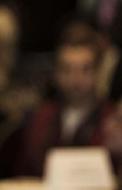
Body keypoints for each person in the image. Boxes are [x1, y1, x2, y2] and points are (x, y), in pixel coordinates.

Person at [11, 36, 118, 178]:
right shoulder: (40, 117)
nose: (76, 78)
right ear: (56, 74)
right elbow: (24, 172)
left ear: (98, 73)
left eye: (85, 69)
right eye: (67, 69)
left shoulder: (113, 121)